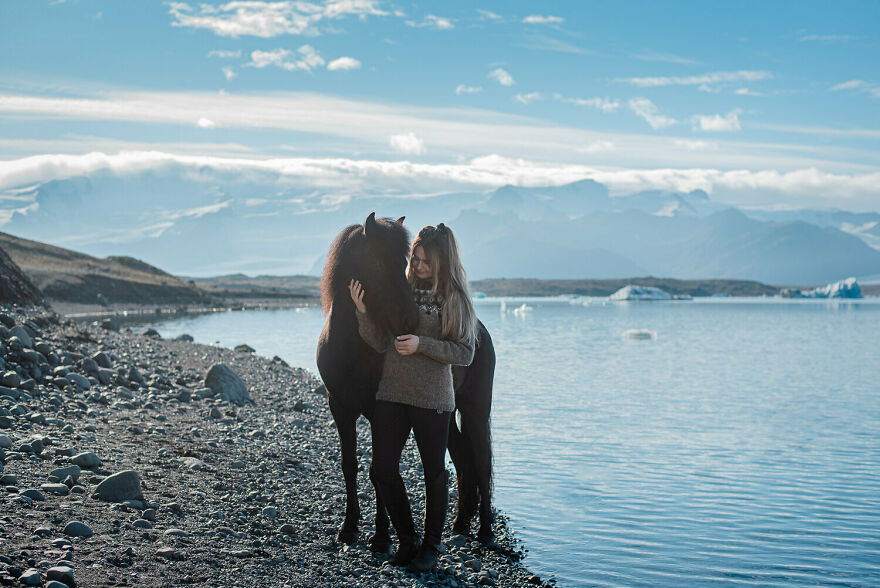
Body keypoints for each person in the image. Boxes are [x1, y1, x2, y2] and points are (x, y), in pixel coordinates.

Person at [349, 223, 477, 573]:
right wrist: (362, 313)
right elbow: (380, 342)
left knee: (434, 473)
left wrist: (422, 345)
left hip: (433, 398)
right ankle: (408, 539)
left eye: (425, 262)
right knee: (382, 469)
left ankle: (431, 547)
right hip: (391, 392)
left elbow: (464, 353)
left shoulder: (454, 298)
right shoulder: (401, 291)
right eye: (415, 258)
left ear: (441, 263)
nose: (417, 266)